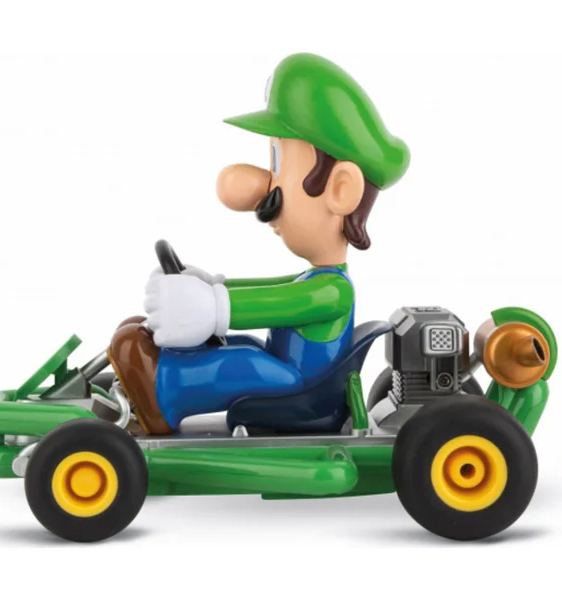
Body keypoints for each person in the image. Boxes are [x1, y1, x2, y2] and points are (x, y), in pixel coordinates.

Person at [107, 53, 410, 435]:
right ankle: (161, 376)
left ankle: (165, 391)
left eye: (279, 166)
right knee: (242, 345)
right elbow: (273, 290)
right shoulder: (316, 278)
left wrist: (215, 306)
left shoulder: (333, 291)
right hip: (290, 375)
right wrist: (212, 286)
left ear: (340, 190)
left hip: (303, 393)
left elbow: (276, 303)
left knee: (246, 362)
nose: (260, 191)